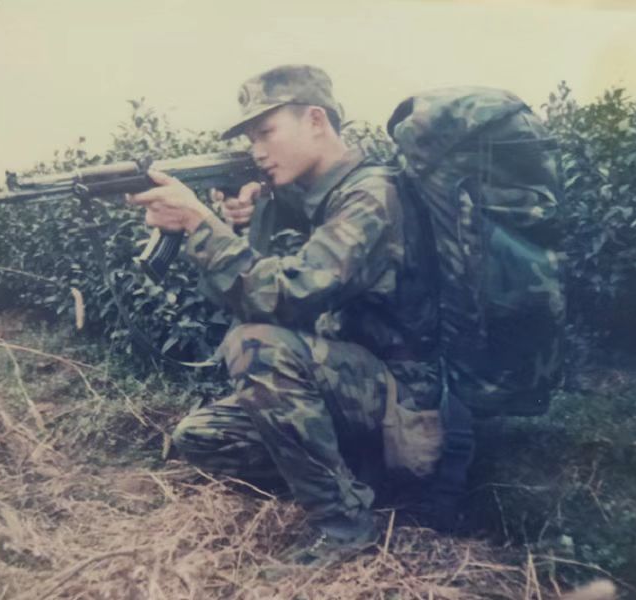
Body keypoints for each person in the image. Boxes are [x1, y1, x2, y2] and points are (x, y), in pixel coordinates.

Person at [127, 64, 440, 567]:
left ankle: (344, 526)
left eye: (265, 132)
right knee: (202, 438)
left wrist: (200, 224)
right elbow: (254, 283)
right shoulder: (326, 194)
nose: (256, 150)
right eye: (250, 138)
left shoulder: (371, 196)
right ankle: (353, 477)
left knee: (255, 345)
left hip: (404, 404)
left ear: (315, 120)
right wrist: (254, 211)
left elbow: (287, 294)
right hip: (357, 394)